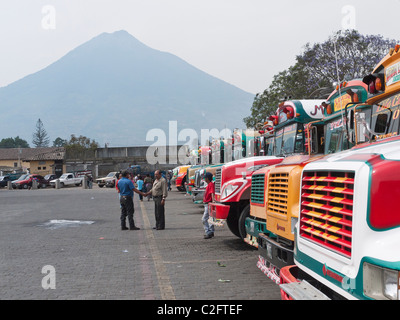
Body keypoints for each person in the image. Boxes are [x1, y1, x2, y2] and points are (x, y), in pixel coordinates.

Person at [202, 172, 215, 239]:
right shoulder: (209, 185)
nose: (204, 179)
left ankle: (208, 232)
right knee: (210, 218)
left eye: (205, 177)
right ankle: (211, 232)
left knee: (204, 219)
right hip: (207, 204)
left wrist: (213, 201)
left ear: (207, 178)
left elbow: (212, 193)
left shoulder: (211, 185)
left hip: (208, 204)